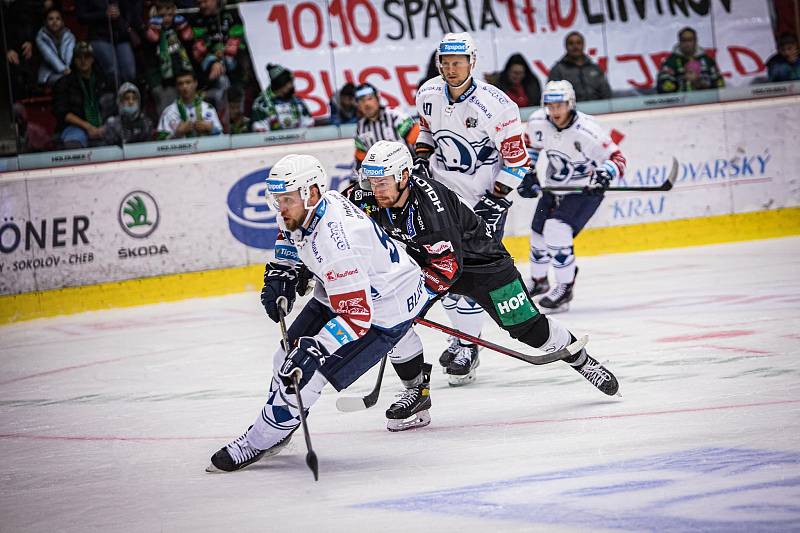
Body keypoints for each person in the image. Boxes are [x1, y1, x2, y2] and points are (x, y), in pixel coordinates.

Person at [206, 154, 432, 472]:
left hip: (384, 309)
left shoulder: (338, 245)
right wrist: (282, 270)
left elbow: (356, 317)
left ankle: (259, 439)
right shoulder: (305, 207)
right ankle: (283, 424)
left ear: (311, 193)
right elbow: (289, 234)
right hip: (346, 290)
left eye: (286, 199)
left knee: (303, 377)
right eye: (277, 199)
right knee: (283, 359)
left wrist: (316, 348)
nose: (280, 208)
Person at [348, 140, 619, 398]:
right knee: (391, 320)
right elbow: (332, 212)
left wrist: (413, 302)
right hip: (432, 262)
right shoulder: (372, 195)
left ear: (403, 176)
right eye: (372, 182)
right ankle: (417, 393)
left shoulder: (431, 210)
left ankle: (581, 360)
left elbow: (448, 268)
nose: (376, 189)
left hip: (485, 267)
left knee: (531, 331)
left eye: (382, 182)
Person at [415, 32, 530, 378]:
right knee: (442, 274)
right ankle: (467, 340)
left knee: (475, 276)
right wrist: (421, 161)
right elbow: (426, 134)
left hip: (481, 204)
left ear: (472, 62)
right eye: (446, 63)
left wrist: (495, 200)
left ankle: (467, 343)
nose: (451, 69)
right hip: (439, 200)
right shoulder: (427, 93)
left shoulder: (498, 105)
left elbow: (517, 162)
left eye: (458, 62)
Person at [520, 80, 626, 313]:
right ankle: (539, 282)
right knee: (538, 234)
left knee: (556, 230)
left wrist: (604, 175)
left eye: (560, 105)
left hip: (584, 190)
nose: (555, 111)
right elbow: (532, 149)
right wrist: (527, 173)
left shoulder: (588, 130)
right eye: (551, 105)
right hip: (554, 187)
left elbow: (618, 160)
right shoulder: (538, 121)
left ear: (571, 103)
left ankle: (565, 288)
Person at [52, 41, 114, 148]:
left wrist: (104, 127)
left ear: (93, 59)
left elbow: (114, 107)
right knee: (74, 140)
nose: (83, 61)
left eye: (87, 57)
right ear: (74, 60)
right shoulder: (64, 83)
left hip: (103, 125)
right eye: (79, 57)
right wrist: (88, 127)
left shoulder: (104, 80)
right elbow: (62, 113)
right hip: (76, 127)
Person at [353, 82, 418, 176]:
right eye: (361, 101)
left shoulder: (397, 117)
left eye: (369, 98)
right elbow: (360, 160)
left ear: (378, 99)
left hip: (409, 173)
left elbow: (420, 145)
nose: (366, 104)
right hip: (382, 180)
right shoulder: (360, 128)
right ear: (358, 105)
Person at [143, 0, 194, 118]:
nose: (166, 19)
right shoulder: (151, 31)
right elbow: (149, 59)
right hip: (162, 82)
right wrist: (155, 84)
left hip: (180, 78)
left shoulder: (179, 27)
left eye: (170, 15)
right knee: (169, 115)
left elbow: (189, 39)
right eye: (162, 16)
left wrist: (183, 26)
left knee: (187, 114)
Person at [75, 0, 141, 84]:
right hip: (99, 36)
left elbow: (129, 10)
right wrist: (103, 14)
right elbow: (81, 17)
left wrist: (124, 21)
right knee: (113, 73)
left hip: (121, 36)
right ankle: (115, 95)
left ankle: (128, 96)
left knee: (129, 73)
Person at [156, 69, 222, 139]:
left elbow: (223, 139)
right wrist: (177, 133)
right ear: (177, 87)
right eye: (180, 84)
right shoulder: (169, 112)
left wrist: (211, 129)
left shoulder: (208, 108)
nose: (184, 87)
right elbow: (160, 144)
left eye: (188, 82)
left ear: (195, 83)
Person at [656, 27, 724, 93]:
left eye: (690, 40)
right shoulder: (670, 62)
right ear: (679, 42)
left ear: (696, 41)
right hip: (681, 103)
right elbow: (663, 88)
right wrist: (683, 81)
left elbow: (720, 85)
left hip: (707, 102)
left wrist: (698, 82)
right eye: (684, 40)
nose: (687, 44)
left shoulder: (707, 60)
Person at [548, 31, 611, 102]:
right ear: (565, 46)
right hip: (571, 112)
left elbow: (606, 94)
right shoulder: (558, 70)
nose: (575, 46)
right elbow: (553, 98)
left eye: (578, 43)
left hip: (600, 110)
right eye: (571, 43)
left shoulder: (595, 68)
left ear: (583, 45)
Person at [251, 63, 314, 131]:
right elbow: (260, 129)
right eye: (289, 83)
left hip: (300, 139)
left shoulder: (297, 101)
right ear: (280, 85)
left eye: (292, 82)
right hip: (272, 140)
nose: (292, 86)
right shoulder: (261, 104)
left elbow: (308, 123)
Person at [35, 6, 76, 87]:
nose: (54, 21)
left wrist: (67, 70)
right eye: (51, 19)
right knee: (66, 81)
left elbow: (69, 55)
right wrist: (64, 70)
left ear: (62, 22)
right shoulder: (41, 37)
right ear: (45, 22)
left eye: (58, 19)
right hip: (48, 75)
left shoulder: (69, 36)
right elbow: (49, 56)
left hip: (68, 72)